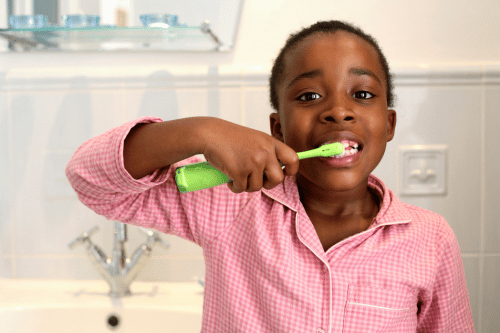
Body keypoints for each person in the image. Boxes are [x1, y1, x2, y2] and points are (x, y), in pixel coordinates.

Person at [66, 20, 474, 332]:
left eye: (362, 94)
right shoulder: (232, 200)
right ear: (278, 129)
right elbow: (91, 180)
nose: (338, 111)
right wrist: (201, 131)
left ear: (388, 125)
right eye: (309, 96)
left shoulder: (430, 239)